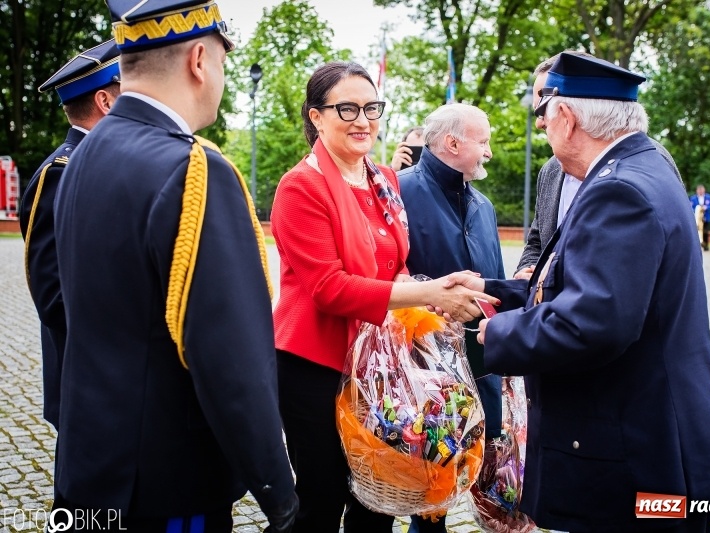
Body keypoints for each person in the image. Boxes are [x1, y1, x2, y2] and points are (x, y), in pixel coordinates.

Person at [454, 52, 710, 532]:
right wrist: (491, 288)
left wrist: (497, 333)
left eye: (542, 113)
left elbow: (591, 323)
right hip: (646, 440)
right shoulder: (638, 166)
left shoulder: (618, 189)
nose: (541, 126)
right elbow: (576, 283)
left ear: (566, 115)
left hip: (638, 459)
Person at [52, 2, 299, 531]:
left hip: (87, 470)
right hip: (167, 485)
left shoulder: (80, 157)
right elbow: (230, 359)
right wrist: (277, 488)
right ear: (198, 61)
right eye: (225, 61)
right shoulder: (192, 168)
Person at [269, 61, 497, 533]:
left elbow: (393, 267)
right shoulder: (300, 187)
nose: (362, 120)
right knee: (323, 495)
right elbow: (329, 288)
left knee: (380, 494)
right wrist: (421, 291)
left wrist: (438, 294)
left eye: (371, 107)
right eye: (346, 108)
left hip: (379, 363)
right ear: (316, 117)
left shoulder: (383, 180)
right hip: (317, 364)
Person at [397, 103, 505, 533]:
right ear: (452, 142)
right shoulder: (398, 191)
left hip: (480, 366)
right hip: (421, 370)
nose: (490, 152)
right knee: (427, 496)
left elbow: (493, 284)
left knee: (492, 482)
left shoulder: (484, 206)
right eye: (484, 141)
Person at [19, 39, 120, 431]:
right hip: (88, 381)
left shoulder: (104, 164)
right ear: (106, 102)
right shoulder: (61, 172)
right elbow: (53, 296)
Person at [515, 52, 681, 278]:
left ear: (567, 117)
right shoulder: (551, 169)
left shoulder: (633, 177)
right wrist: (526, 277)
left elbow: (606, 296)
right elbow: (537, 240)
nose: (539, 122)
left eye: (543, 108)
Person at [689, 184, 710, 251]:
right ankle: (697, 246)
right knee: (696, 231)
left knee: (705, 231)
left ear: (704, 190)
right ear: (697, 191)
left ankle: (706, 245)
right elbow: (690, 207)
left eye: (701, 190)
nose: (700, 191)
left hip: (705, 217)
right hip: (697, 218)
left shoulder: (708, 197)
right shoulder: (693, 198)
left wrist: (705, 208)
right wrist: (698, 209)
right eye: (699, 190)